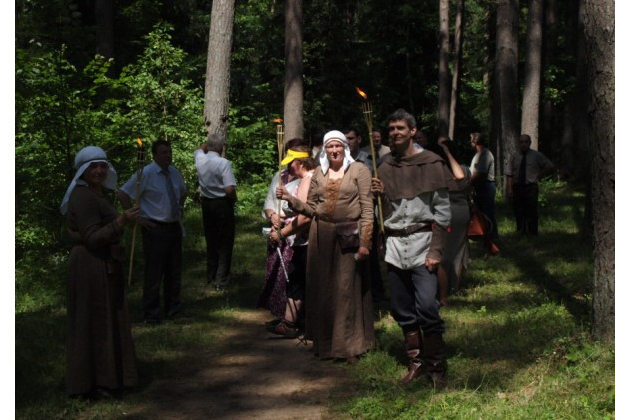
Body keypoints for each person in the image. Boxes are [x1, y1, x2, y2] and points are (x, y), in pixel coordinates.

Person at [277, 130, 376, 363]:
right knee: (322, 289)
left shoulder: (359, 170)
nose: (334, 151)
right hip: (321, 234)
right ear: (324, 149)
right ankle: (325, 344)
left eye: (338, 146)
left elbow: (368, 209)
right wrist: (291, 200)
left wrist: (365, 242)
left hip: (348, 235)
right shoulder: (319, 174)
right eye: (330, 147)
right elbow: (312, 209)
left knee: (346, 290)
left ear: (345, 147)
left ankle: (349, 346)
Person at [370, 109, 452, 388]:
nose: (394, 132)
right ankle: (416, 363)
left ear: (413, 131)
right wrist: (379, 196)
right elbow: (384, 212)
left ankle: (437, 367)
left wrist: (436, 251)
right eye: (391, 128)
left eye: (400, 128)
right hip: (394, 246)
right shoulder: (384, 167)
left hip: (422, 245)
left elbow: (442, 212)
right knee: (400, 307)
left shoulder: (432, 163)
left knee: (427, 305)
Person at [60, 146, 139, 398]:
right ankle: (92, 383)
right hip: (89, 267)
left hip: (100, 265)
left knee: (103, 321)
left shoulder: (95, 194)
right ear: (83, 171)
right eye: (93, 166)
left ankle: (106, 379)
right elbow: (92, 238)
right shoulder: (83, 197)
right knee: (93, 322)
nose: (99, 171)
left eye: (103, 166)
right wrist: (120, 222)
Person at [118, 140, 187, 324]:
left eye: (170, 152)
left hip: (173, 227)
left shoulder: (174, 172)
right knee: (154, 272)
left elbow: (182, 191)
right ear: (154, 155)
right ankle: (151, 313)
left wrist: (180, 207)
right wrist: (136, 217)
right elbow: (123, 193)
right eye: (164, 153)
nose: (168, 156)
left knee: (174, 270)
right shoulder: (145, 173)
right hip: (155, 228)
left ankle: (173, 308)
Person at [265, 145, 316, 338]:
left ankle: (292, 324)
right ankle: (293, 322)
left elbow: (304, 217)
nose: (289, 168)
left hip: (306, 241)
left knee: (298, 280)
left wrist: (282, 233)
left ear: (300, 162)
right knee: (299, 280)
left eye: (291, 164)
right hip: (306, 240)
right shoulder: (312, 177)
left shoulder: (307, 181)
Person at [258, 138, 309, 325]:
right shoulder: (279, 176)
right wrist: (272, 216)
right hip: (277, 229)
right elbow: (269, 203)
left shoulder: (308, 178)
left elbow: (304, 210)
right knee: (279, 277)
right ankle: (282, 314)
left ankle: (297, 317)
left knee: (296, 275)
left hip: (295, 232)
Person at [345, 126, 386, 304]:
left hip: (367, 213)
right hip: (347, 215)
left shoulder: (370, 160)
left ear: (359, 139)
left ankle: (376, 295)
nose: (347, 142)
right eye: (345, 138)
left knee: (370, 256)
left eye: (351, 138)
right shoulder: (340, 160)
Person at [194, 133, 237, 290]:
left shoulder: (199, 158)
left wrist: (205, 146)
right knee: (225, 241)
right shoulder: (223, 163)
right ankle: (222, 279)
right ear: (222, 146)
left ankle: (211, 275)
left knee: (211, 240)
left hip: (206, 204)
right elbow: (229, 188)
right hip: (222, 204)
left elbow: (199, 149)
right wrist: (234, 198)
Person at [434, 136, 471, 304]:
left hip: (455, 214)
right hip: (452, 213)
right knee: (450, 251)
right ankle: (450, 287)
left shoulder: (458, 169)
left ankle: (448, 290)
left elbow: (461, 178)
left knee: (451, 252)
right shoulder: (440, 171)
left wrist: (447, 153)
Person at [506, 134, 556, 236]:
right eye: (521, 142)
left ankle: (532, 232)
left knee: (531, 210)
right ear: (519, 143)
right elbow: (509, 174)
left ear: (530, 143)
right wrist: (510, 189)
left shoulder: (537, 155)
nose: (524, 144)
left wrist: (539, 175)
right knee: (518, 210)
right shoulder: (514, 156)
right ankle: (520, 230)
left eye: (526, 142)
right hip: (518, 186)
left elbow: (550, 166)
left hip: (531, 186)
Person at [469, 132, 499, 242]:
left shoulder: (485, 154)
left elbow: (481, 173)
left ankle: (493, 237)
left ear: (475, 141)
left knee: (488, 213)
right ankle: (483, 235)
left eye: (471, 140)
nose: (470, 142)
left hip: (486, 187)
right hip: (479, 187)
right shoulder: (478, 154)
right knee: (479, 212)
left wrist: (468, 183)